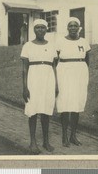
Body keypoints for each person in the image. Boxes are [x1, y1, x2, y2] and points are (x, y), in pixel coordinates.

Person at [20, 19, 58, 154]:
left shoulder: (52, 45)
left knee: (46, 110)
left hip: (48, 79)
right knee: (33, 110)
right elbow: (24, 69)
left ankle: (46, 141)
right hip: (33, 79)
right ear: (34, 30)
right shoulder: (28, 46)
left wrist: (56, 84)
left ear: (46, 29)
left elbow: (54, 66)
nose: (40, 30)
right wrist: (25, 87)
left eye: (43, 28)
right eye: (38, 28)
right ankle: (33, 142)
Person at [56, 17, 90, 147]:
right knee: (65, 104)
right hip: (64, 72)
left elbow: (87, 60)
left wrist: (84, 74)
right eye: (70, 26)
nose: (73, 28)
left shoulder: (84, 42)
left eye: (75, 26)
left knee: (76, 104)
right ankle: (64, 136)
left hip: (80, 73)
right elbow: (55, 60)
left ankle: (73, 136)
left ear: (79, 28)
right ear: (67, 27)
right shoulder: (60, 41)